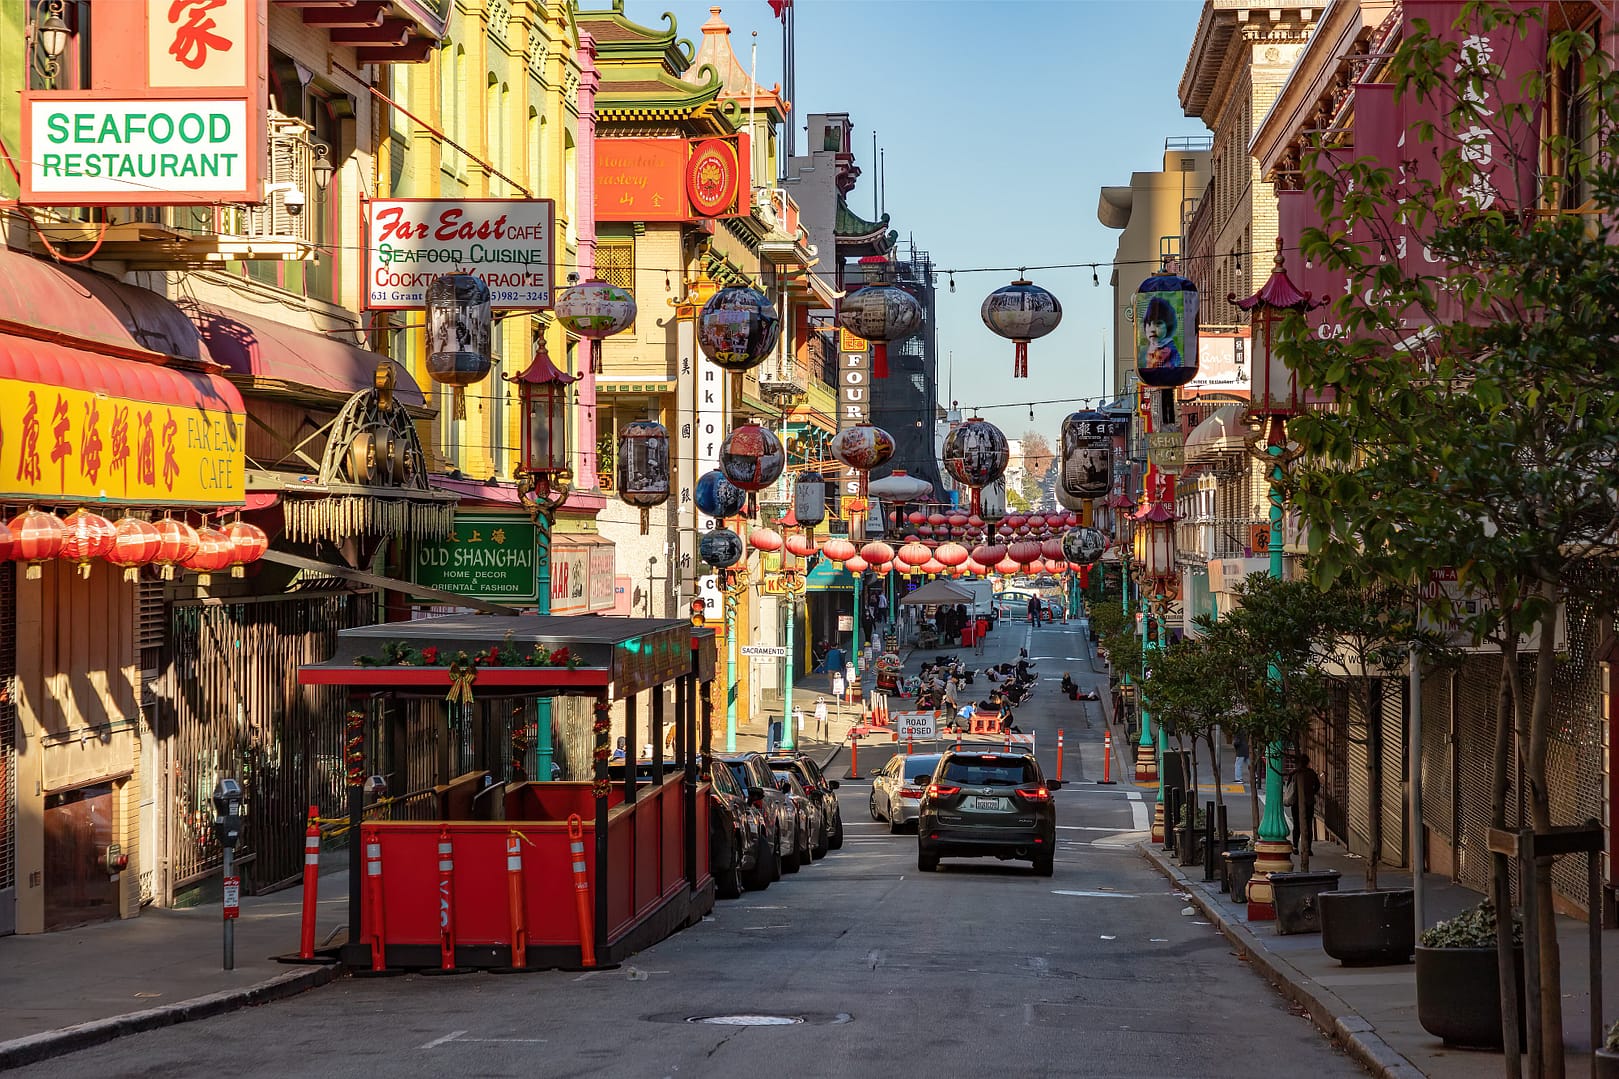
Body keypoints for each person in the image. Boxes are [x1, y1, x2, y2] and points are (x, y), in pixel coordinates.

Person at [1287, 753, 1321, 856]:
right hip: (1309, 803)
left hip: (1296, 803)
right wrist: (1311, 792)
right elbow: (1317, 786)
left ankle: (1295, 846)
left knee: (1297, 825)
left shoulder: (1294, 773)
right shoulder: (1311, 773)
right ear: (1307, 762)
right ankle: (1308, 848)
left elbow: (1289, 787)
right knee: (1308, 825)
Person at [1139, 295, 1181, 371]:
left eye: (1158, 323)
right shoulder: (1147, 350)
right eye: (1148, 324)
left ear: (1168, 326)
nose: (1152, 329)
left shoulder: (1171, 351)